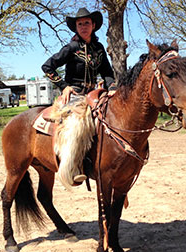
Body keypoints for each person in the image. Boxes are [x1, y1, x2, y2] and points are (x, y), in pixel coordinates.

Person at [41, 7, 117, 188]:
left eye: (87, 23)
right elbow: (47, 67)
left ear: (94, 25)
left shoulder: (99, 48)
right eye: (80, 24)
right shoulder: (71, 48)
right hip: (75, 93)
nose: (83, 26)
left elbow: (107, 72)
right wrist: (63, 86)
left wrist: (112, 86)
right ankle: (72, 168)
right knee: (78, 122)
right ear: (76, 27)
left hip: (95, 93)